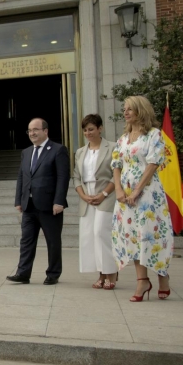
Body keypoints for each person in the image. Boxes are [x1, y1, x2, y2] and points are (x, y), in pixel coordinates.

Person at [111, 96, 174, 302]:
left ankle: (162, 275)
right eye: (124, 109)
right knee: (133, 237)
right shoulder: (122, 139)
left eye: (130, 109)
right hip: (126, 196)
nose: (126, 112)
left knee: (152, 234)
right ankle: (142, 281)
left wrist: (137, 190)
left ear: (141, 111)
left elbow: (153, 163)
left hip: (148, 194)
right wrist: (119, 189)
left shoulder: (154, 135)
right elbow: (116, 165)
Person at [6, 118, 70, 285]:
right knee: (26, 241)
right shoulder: (26, 152)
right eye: (29, 130)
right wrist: (18, 200)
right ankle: (23, 273)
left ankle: (53, 273)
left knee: (53, 241)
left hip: (50, 206)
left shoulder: (58, 150)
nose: (32, 133)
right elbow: (22, 177)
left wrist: (59, 201)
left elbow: (63, 177)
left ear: (45, 131)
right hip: (29, 205)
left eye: (35, 129)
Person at [72, 114, 118, 289]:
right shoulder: (81, 152)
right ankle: (101, 273)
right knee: (90, 236)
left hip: (106, 194)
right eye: (85, 130)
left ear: (100, 128)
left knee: (101, 233)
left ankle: (110, 274)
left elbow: (117, 174)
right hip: (87, 196)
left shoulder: (113, 148)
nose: (88, 133)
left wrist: (104, 194)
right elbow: (76, 177)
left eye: (91, 129)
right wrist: (83, 195)